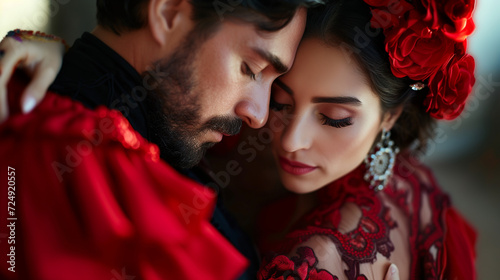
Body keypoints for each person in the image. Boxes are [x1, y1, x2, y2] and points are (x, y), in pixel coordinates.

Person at [0, 0, 312, 279]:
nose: (258, 115)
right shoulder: (85, 174)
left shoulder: (151, 136)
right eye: (251, 69)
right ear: (167, 13)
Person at [251, 0, 477, 279]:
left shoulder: (312, 263)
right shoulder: (413, 182)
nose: (290, 141)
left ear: (389, 117)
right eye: (280, 102)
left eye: (335, 118)